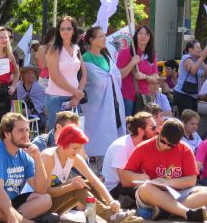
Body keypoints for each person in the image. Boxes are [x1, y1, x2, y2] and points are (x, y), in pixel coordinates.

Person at [41, 125, 140, 223]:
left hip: (55, 205)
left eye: (79, 148)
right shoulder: (48, 156)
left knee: (87, 183)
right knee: (78, 187)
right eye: (75, 148)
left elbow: (94, 180)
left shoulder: (74, 157)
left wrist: (111, 201)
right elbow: (45, 191)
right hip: (42, 207)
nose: (77, 152)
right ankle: (110, 216)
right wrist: (71, 187)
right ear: (63, 144)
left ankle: (115, 213)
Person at [121, 119, 207, 222]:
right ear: (159, 131)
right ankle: (186, 213)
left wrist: (167, 182)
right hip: (153, 194)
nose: (165, 146)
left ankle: (164, 212)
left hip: (177, 193)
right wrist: (137, 177)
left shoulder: (185, 149)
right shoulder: (143, 148)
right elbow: (125, 173)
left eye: (171, 145)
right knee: (144, 188)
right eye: (163, 142)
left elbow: (191, 180)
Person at [82, 27, 126, 160]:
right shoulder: (85, 58)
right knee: (98, 134)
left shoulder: (107, 57)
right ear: (91, 40)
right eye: (100, 36)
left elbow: (115, 75)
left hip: (113, 101)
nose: (104, 39)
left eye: (104, 36)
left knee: (114, 131)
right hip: (95, 104)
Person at [102, 112, 158, 203]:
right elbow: (124, 182)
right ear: (140, 130)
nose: (157, 131)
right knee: (149, 190)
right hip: (113, 191)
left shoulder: (145, 146)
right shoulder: (121, 146)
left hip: (127, 186)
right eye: (153, 128)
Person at [45, 16, 87, 131]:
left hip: (74, 98)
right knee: (57, 137)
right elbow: (55, 77)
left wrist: (77, 96)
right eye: (62, 29)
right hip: (56, 98)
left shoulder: (76, 48)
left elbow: (84, 74)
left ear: (74, 30)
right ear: (58, 31)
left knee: (73, 136)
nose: (65, 31)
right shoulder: (54, 49)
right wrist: (76, 93)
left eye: (68, 28)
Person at [117, 25, 159, 116]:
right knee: (129, 125)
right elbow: (119, 75)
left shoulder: (151, 55)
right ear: (136, 36)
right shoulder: (125, 52)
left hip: (145, 97)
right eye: (141, 33)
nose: (143, 36)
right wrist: (132, 62)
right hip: (128, 96)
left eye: (146, 34)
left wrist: (145, 76)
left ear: (150, 38)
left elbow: (156, 77)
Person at [173, 40, 207, 115]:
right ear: (190, 49)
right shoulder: (187, 57)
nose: (200, 50)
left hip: (193, 94)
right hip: (183, 93)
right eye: (197, 48)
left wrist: (202, 59)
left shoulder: (198, 59)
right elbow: (193, 71)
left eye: (200, 48)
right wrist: (202, 57)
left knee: (193, 119)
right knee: (187, 120)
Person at [17, 65, 46, 131]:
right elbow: (16, 100)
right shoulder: (18, 86)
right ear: (23, 75)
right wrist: (22, 110)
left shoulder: (38, 87)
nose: (31, 75)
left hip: (37, 112)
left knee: (41, 122)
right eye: (28, 73)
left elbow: (42, 103)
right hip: (20, 112)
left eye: (33, 73)